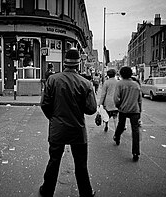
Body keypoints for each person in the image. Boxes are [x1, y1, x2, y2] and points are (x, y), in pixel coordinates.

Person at [40, 48, 97, 197]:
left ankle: (47, 191)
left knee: (54, 161)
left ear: (64, 63)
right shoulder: (86, 83)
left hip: (58, 129)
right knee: (81, 165)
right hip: (77, 130)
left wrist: (53, 118)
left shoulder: (53, 79)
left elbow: (45, 104)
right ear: (79, 64)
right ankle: (86, 192)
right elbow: (91, 109)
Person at [113, 66, 142, 162]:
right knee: (135, 131)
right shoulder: (136, 85)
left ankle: (117, 136)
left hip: (123, 109)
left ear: (121, 74)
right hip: (135, 110)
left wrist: (118, 106)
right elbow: (139, 100)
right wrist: (139, 111)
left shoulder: (120, 84)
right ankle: (136, 152)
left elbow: (116, 98)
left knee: (121, 125)